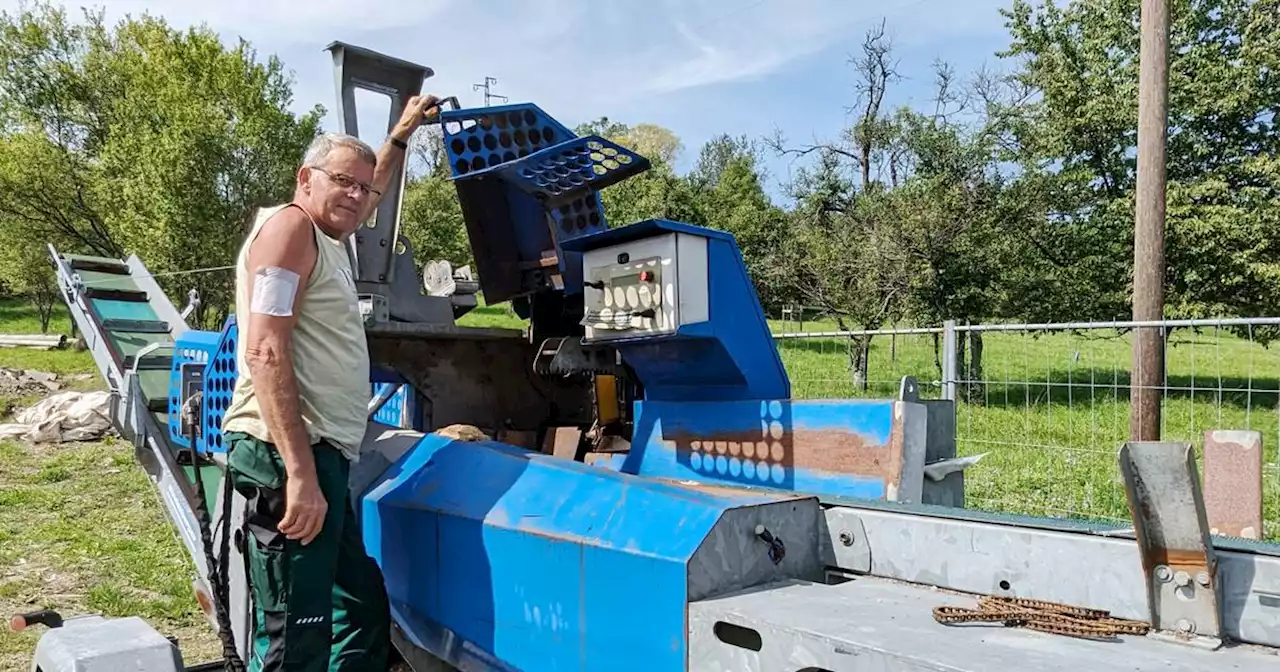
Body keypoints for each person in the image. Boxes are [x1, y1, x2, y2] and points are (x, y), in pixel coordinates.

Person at [220, 94, 441, 672]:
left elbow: (368, 188)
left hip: (325, 454)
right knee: (300, 626)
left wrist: (400, 135)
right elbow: (266, 349)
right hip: (289, 452)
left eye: (364, 189)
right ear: (305, 178)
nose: (356, 195)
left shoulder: (331, 236)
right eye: (342, 181)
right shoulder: (290, 230)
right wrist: (300, 473)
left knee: (361, 607)